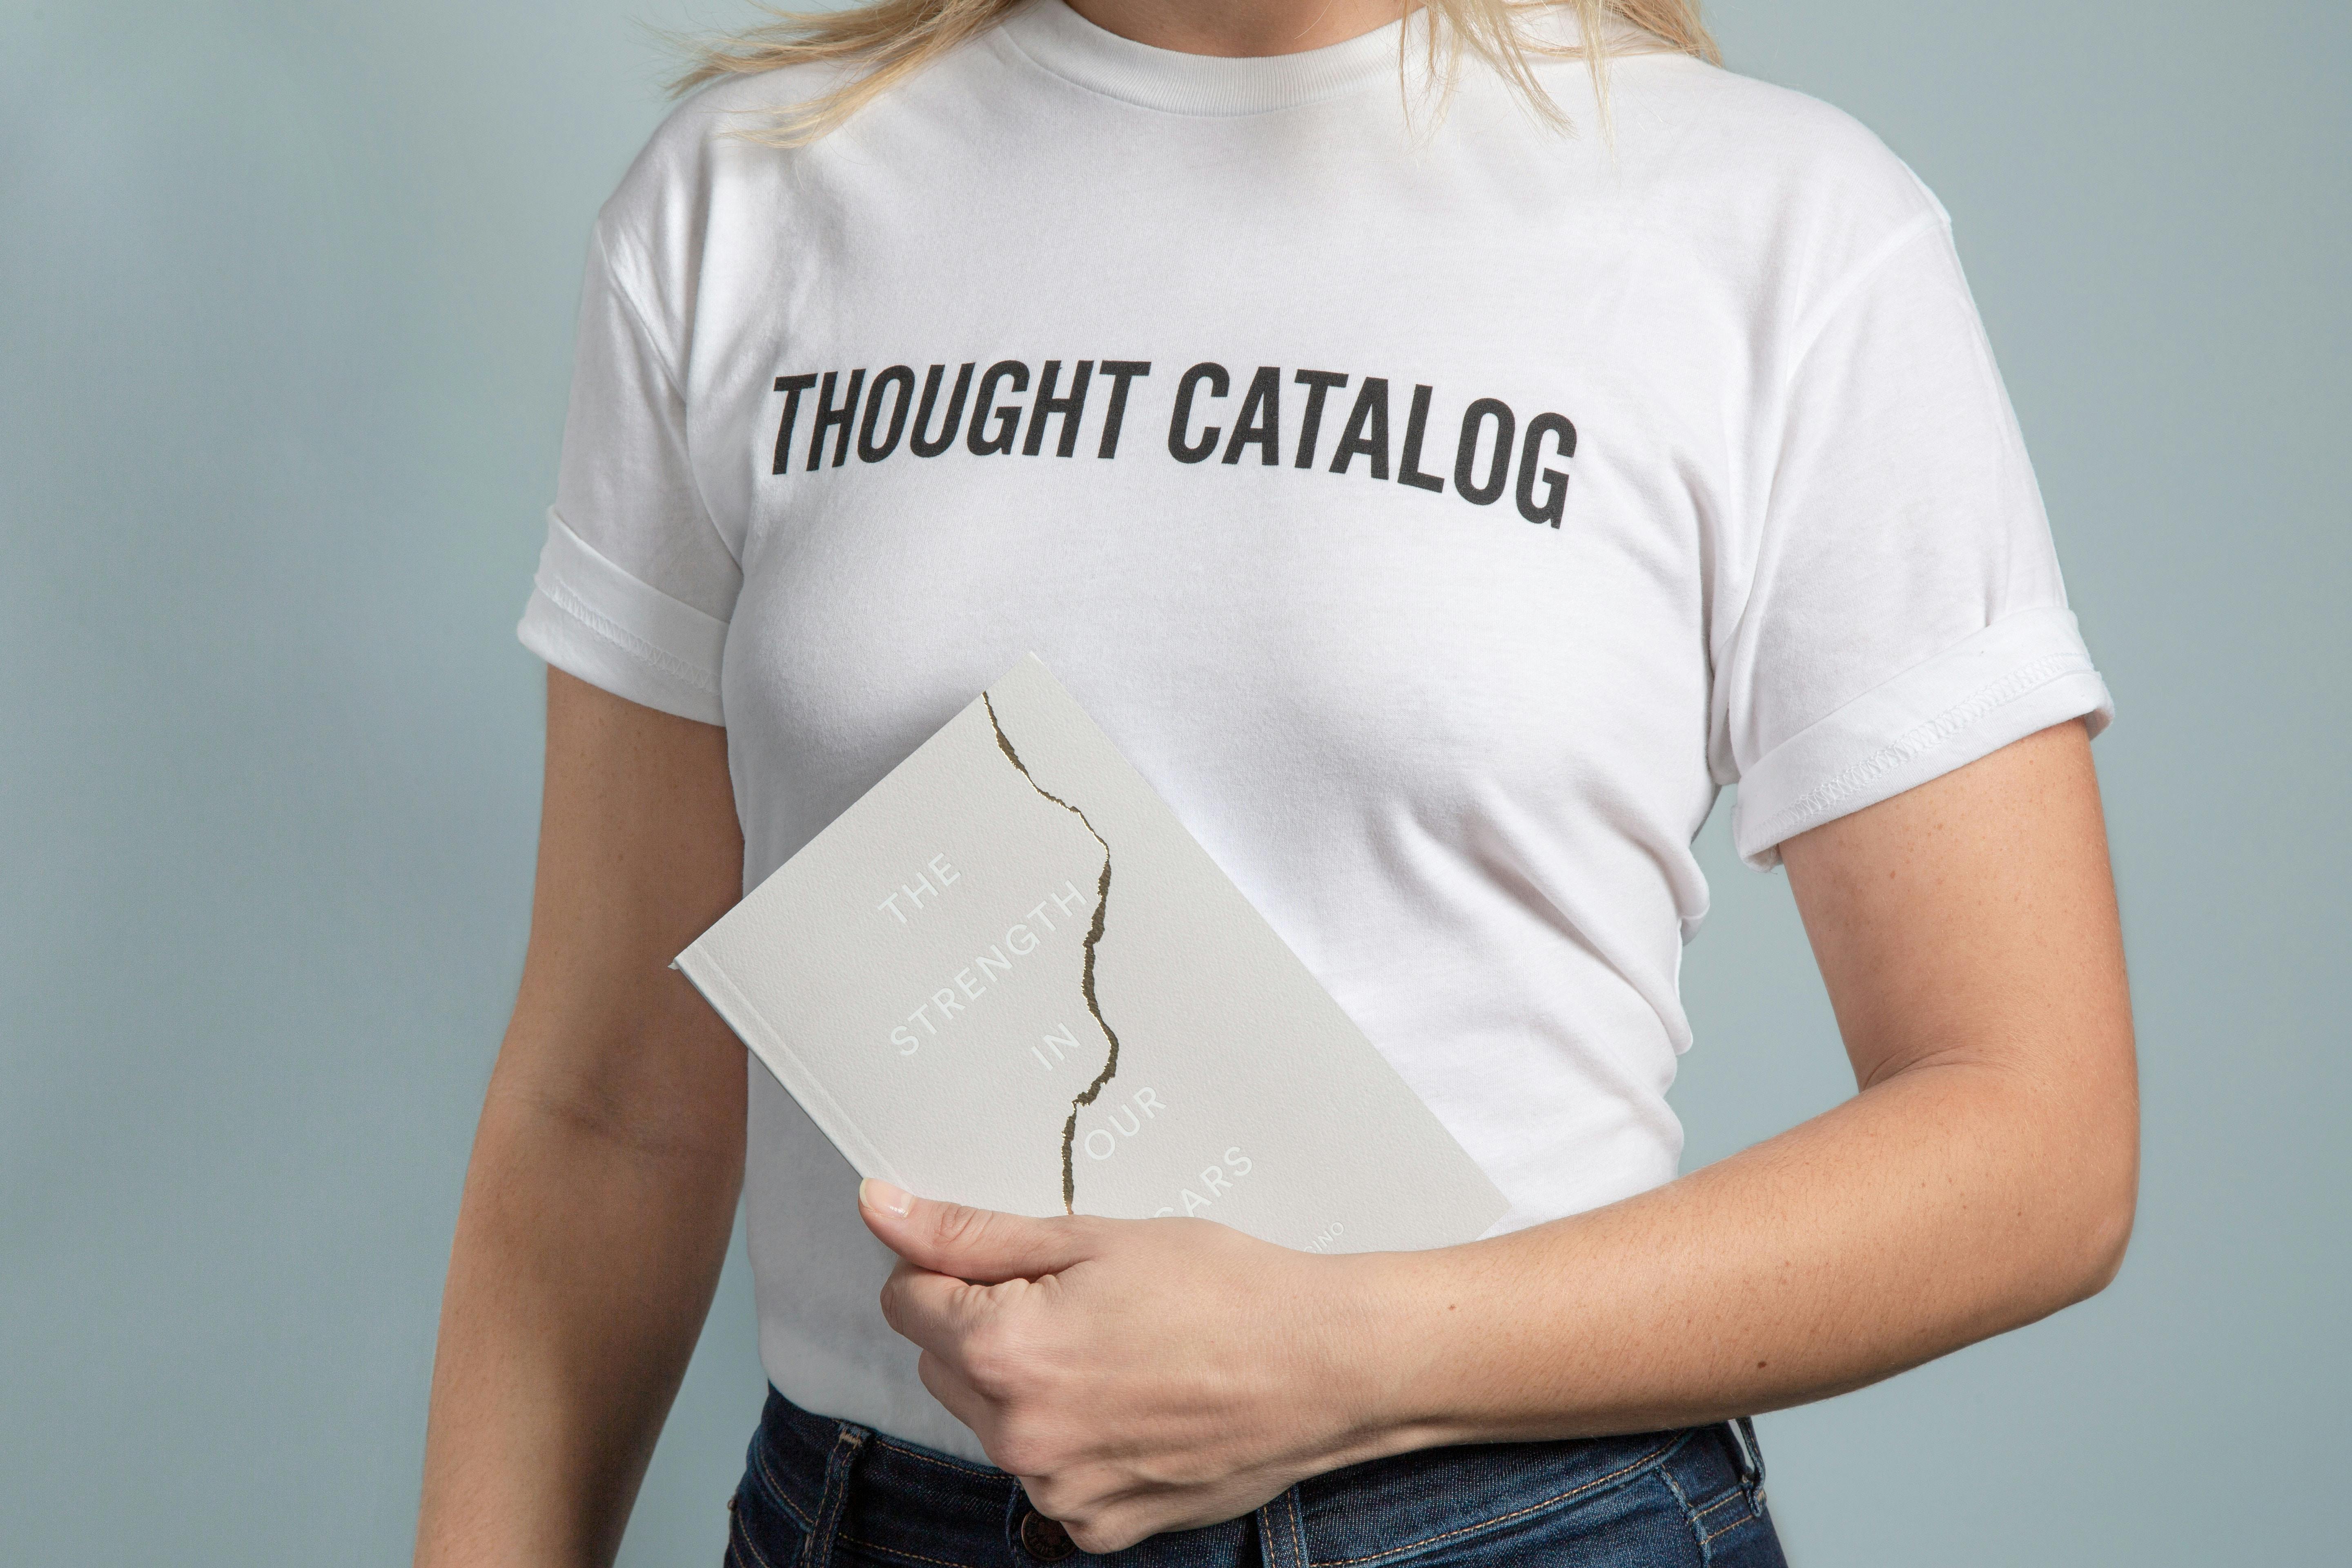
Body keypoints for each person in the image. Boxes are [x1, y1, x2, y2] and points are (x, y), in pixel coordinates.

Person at [413, 0, 2139, 1561]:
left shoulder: (1781, 229)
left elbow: (2035, 1136)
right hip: (870, 1515)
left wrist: (1347, 1358)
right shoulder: (750, 197)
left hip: (1513, 1518)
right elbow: (612, 1102)